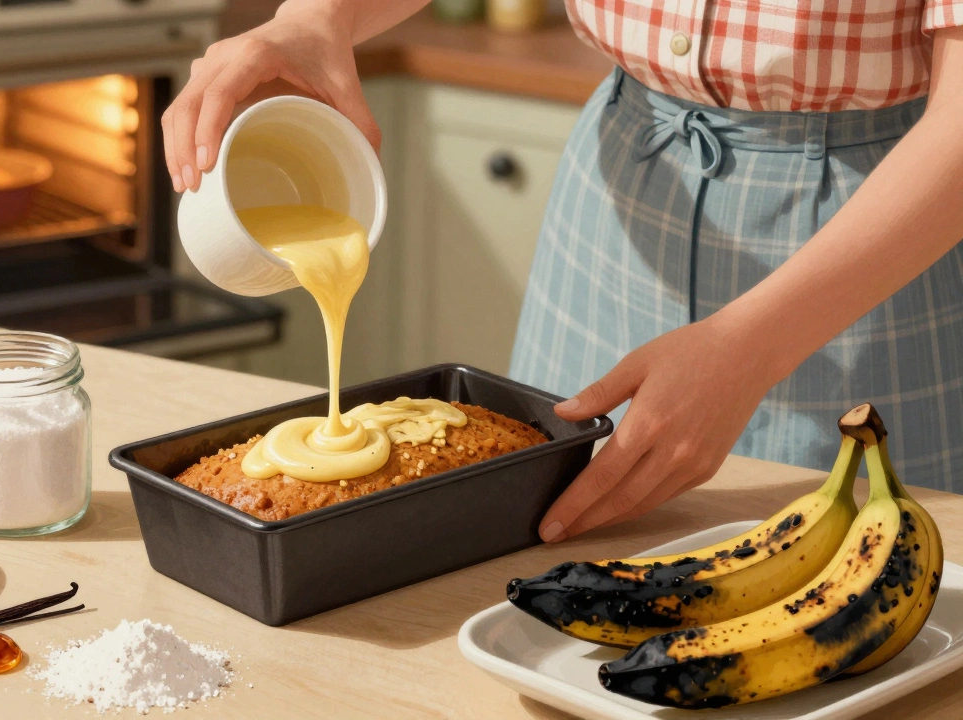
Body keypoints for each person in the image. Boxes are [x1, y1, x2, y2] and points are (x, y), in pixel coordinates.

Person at [162, 0, 963, 542]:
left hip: (867, 251)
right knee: (550, 569)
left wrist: (752, 346)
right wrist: (317, 17)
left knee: (845, 591)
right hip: (617, 192)